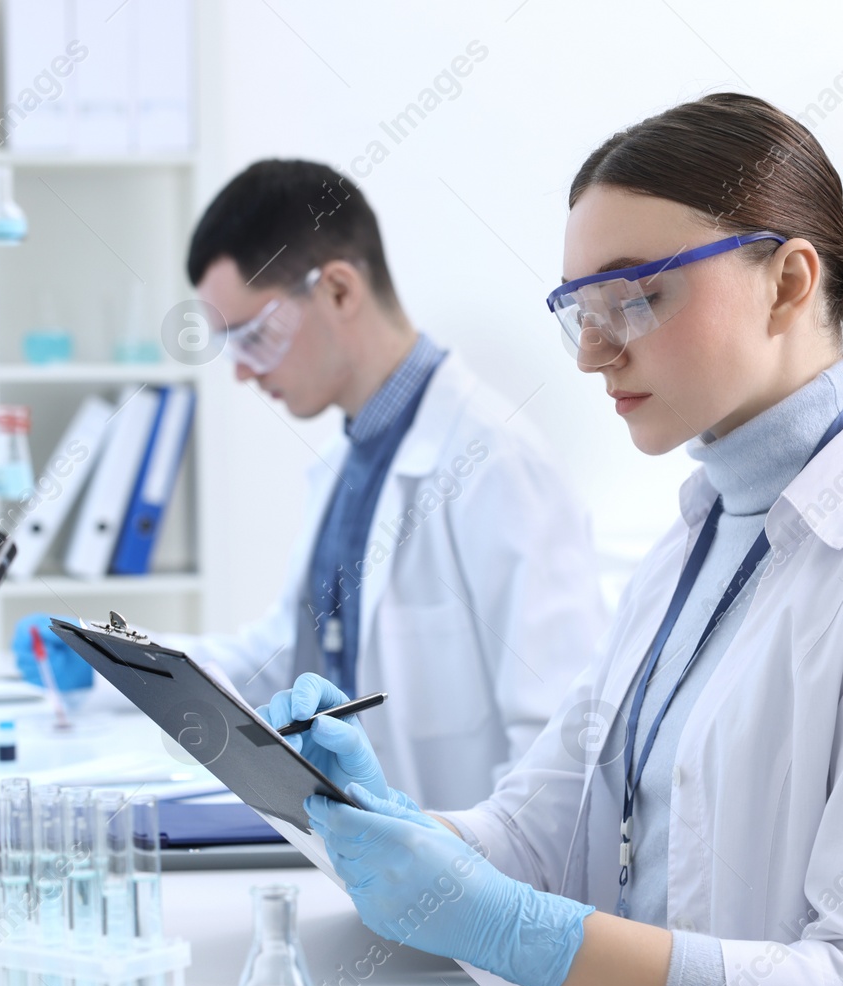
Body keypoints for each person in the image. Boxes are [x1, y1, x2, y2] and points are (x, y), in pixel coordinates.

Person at [264, 95, 843, 986]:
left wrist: (518, 928)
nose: (596, 350)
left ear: (787, 282)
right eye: (580, 312)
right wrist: (381, 820)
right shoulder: (690, 544)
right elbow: (533, 834)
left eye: (632, 295)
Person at [145, 158, 606, 810]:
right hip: (365, 863)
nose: (243, 373)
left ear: (337, 290)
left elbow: (560, 744)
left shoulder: (496, 464)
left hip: (462, 886)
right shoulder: (349, 457)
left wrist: (469, 877)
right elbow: (292, 654)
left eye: (253, 336)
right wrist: (135, 659)